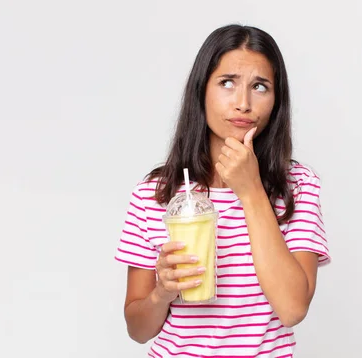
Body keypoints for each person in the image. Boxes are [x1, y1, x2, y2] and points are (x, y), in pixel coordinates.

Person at [114, 24, 331, 357]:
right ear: (202, 90)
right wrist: (162, 293)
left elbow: (292, 308)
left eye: (260, 86)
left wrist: (251, 190)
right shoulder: (154, 193)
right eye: (227, 83)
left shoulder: (298, 186)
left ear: (276, 101)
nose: (242, 103)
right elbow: (138, 330)